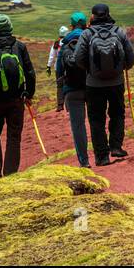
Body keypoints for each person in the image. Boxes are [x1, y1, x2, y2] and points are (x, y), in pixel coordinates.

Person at [70, 2, 134, 166]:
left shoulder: (87, 34)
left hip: (94, 84)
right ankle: (116, 146)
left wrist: (90, 70)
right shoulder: (119, 32)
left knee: (96, 119)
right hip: (117, 82)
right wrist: (122, 68)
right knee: (117, 114)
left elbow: (78, 58)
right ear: (108, 14)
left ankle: (102, 156)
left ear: (92, 16)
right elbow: (131, 56)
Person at [0, 14, 36, 179]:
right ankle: (10, 173)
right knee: (14, 135)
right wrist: (28, 94)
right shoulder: (20, 47)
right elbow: (30, 73)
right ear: (10, 28)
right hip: (16, 99)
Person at [57, 12, 90, 168]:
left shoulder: (65, 45)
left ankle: (84, 161)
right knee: (96, 121)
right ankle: (102, 155)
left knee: (78, 126)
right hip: (92, 87)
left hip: (72, 89)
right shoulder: (91, 40)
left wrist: (61, 98)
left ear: (71, 26)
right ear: (85, 25)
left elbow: (59, 71)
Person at [49, 25, 69, 111]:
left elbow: (51, 56)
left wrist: (48, 66)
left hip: (58, 68)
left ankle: (60, 105)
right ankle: (68, 106)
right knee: (68, 85)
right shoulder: (69, 42)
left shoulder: (56, 44)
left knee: (59, 86)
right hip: (68, 67)